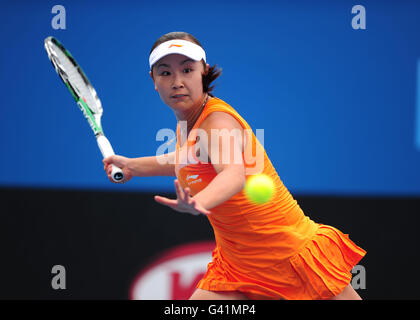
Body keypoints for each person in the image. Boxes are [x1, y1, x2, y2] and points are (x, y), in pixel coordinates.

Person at [103, 31, 366, 300]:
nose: (177, 82)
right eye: (165, 73)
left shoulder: (216, 122)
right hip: (238, 265)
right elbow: (186, 159)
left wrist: (199, 202)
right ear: (154, 81)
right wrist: (132, 166)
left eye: (187, 69)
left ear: (203, 72)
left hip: (288, 256)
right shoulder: (190, 120)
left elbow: (233, 174)